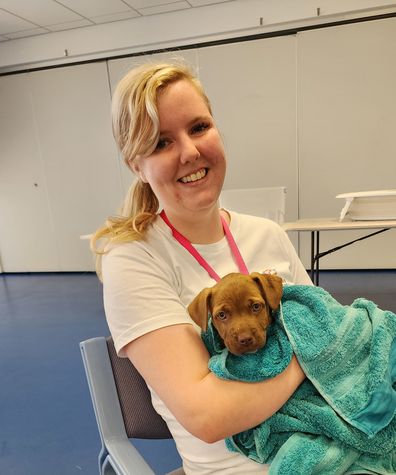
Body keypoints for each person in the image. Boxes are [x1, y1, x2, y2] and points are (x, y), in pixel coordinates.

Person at [92, 61, 312, 474]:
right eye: (160, 143)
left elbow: (330, 325)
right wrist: (309, 356)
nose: (190, 152)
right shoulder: (135, 258)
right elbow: (208, 417)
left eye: (198, 128)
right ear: (135, 165)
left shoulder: (268, 234)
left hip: (324, 441)